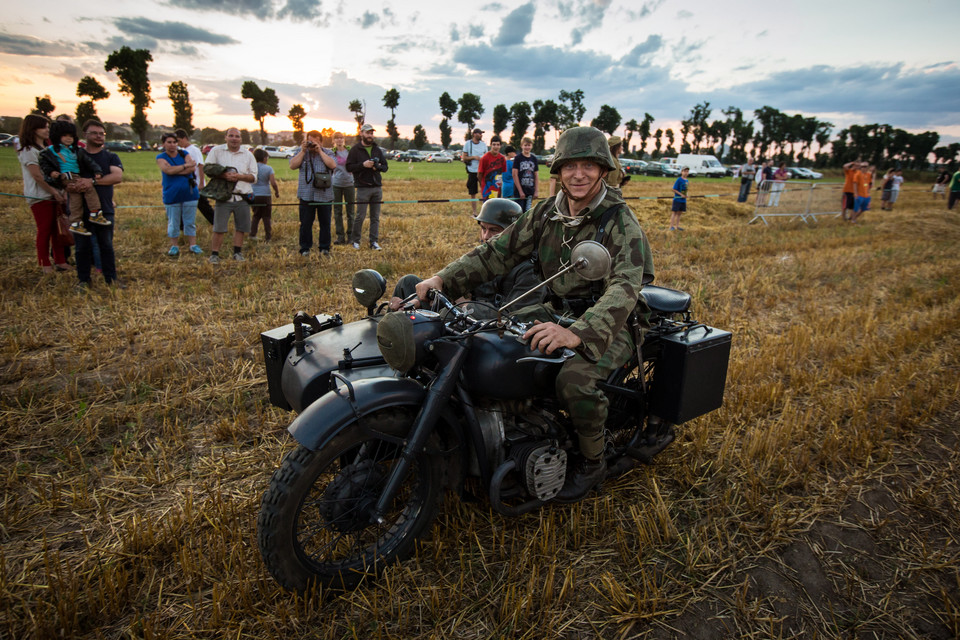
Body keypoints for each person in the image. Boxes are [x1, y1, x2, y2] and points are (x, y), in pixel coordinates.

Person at [414, 126, 654, 502]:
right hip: (555, 307)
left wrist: (580, 333)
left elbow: (624, 287)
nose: (579, 174)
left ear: (603, 169)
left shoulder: (620, 222)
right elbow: (496, 253)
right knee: (488, 334)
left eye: (589, 166)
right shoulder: (546, 213)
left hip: (612, 319)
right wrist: (444, 279)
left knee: (574, 378)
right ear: (557, 170)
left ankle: (593, 464)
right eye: (570, 165)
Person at [389, 198, 541, 319]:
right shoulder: (481, 257)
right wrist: (415, 302)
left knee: (444, 316)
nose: (486, 236)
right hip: (462, 311)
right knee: (407, 283)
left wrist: (462, 305)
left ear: (512, 232)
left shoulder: (529, 270)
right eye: (483, 228)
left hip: (484, 332)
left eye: (494, 230)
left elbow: (512, 317)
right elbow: (455, 285)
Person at [17, 114, 70, 274]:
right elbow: (37, 176)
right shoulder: (29, 151)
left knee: (58, 230)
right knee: (45, 229)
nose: (48, 130)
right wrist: (53, 191)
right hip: (40, 196)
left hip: (55, 196)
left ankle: (60, 260)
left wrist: (62, 190)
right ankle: (44, 262)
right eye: (44, 127)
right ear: (33, 129)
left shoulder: (46, 149)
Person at [74, 119, 123, 289]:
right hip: (80, 210)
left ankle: (111, 279)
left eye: (101, 133)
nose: (98, 136)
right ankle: (83, 280)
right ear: (84, 135)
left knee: (107, 246)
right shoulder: (76, 156)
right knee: (81, 247)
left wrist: (90, 182)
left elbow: (117, 177)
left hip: (104, 208)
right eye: (94, 133)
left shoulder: (110, 156)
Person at [38, 120, 108, 236]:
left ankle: (75, 223)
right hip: (66, 176)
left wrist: (97, 171)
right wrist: (52, 173)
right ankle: (95, 213)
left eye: (71, 136)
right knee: (88, 189)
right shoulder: (50, 151)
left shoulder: (75, 150)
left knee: (75, 199)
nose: (68, 138)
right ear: (57, 136)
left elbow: (88, 161)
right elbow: (45, 164)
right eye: (64, 136)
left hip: (75, 175)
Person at [204, 127, 258, 263]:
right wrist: (223, 175)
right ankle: (214, 254)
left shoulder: (248, 155)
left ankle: (237, 253)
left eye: (237, 136)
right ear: (226, 137)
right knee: (219, 227)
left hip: (242, 196)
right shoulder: (216, 151)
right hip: (224, 197)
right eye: (231, 136)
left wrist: (239, 177)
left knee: (242, 227)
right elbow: (207, 168)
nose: (234, 139)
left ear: (241, 139)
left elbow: (254, 177)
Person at [289, 129, 336, 257]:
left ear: (321, 142)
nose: (312, 144)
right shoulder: (301, 152)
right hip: (306, 194)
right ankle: (305, 248)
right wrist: (303, 151)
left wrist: (319, 151)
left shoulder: (328, 152)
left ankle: (324, 248)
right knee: (305, 224)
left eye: (315, 141)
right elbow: (292, 165)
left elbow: (332, 165)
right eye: (310, 141)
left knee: (325, 223)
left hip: (324, 195)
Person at [156, 132, 201, 256]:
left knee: (190, 221)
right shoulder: (161, 157)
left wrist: (175, 170)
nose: (172, 145)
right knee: (173, 222)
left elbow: (192, 168)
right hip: (172, 194)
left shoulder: (184, 153)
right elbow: (167, 170)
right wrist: (184, 166)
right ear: (163, 144)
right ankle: (174, 246)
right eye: (169, 142)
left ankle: (193, 245)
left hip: (190, 193)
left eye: (174, 142)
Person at [346, 123, 389, 250]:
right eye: (367, 133)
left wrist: (378, 167)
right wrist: (363, 165)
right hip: (362, 187)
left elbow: (385, 167)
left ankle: (374, 242)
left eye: (371, 133)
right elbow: (349, 167)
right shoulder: (355, 150)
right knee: (360, 216)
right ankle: (355, 241)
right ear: (361, 134)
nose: (370, 135)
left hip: (377, 187)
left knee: (375, 217)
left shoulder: (377, 150)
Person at [177, 129, 213, 225]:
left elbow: (201, 165)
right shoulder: (184, 151)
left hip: (196, 184)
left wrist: (201, 183)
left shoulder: (194, 150)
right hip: (188, 185)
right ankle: (182, 225)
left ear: (184, 138)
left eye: (178, 140)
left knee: (204, 207)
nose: (178, 143)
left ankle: (217, 224)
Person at [331, 132, 355, 245]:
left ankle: (351, 236)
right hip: (336, 184)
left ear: (344, 140)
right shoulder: (332, 153)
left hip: (349, 183)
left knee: (350, 211)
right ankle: (340, 236)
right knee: (337, 211)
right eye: (337, 138)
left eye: (341, 138)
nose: (339, 140)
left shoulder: (349, 151)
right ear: (334, 140)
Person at [250, 148, 279, 241]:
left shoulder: (251, 168)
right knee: (266, 217)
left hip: (254, 194)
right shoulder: (268, 168)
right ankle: (268, 236)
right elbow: (273, 183)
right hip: (265, 195)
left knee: (256, 215)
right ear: (264, 158)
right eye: (267, 157)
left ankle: (252, 234)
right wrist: (276, 192)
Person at [461, 128, 487, 215]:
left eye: (481, 133)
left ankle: (485, 210)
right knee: (473, 192)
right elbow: (464, 157)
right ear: (474, 134)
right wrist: (474, 157)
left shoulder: (483, 145)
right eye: (479, 133)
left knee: (485, 191)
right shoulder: (468, 144)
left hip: (482, 170)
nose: (481, 135)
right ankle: (475, 212)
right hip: (472, 170)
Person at [513, 137, 539, 212]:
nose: (527, 147)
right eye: (525, 145)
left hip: (530, 190)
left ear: (531, 146)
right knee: (519, 211)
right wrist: (520, 191)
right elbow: (515, 175)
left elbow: (536, 175)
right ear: (522, 146)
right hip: (519, 191)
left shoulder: (534, 159)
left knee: (527, 212)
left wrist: (536, 191)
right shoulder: (518, 158)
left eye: (529, 145)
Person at [477, 135, 506, 200]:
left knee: (497, 208)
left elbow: (504, 173)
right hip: (487, 190)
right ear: (491, 145)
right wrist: (482, 185)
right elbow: (479, 174)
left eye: (498, 145)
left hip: (498, 189)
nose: (496, 147)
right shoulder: (484, 158)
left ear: (500, 146)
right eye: (494, 145)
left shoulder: (502, 158)